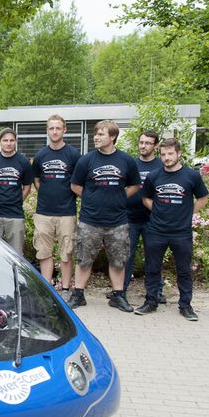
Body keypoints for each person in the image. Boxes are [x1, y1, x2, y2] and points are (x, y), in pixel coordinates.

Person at [68, 120, 141, 312]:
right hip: (89, 221)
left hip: (117, 222)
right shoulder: (87, 160)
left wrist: (119, 197)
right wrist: (92, 197)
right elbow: (75, 185)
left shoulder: (126, 160)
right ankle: (78, 295)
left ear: (113, 137)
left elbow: (135, 185)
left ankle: (118, 296)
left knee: (118, 261)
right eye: (96, 134)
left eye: (101, 134)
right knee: (84, 259)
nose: (96, 137)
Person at [134, 138, 209, 321]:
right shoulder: (154, 176)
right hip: (157, 230)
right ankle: (150, 302)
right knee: (152, 268)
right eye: (163, 154)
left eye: (170, 154)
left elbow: (202, 198)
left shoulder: (191, 176)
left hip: (181, 232)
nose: (166, 158)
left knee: (183, 270)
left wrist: (187, 213)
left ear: (179, 154)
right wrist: (159, 211)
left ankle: (185, 305)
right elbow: (145, 198)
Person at [32, 115, 81, 293]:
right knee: (43, 252)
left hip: (66, 212)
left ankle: (66, 288)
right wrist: (46, 193)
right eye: (51, 128)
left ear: (64, 130)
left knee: (67, 253)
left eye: (58, 128)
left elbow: (78, 182)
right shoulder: (40, 155)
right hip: (43, 212)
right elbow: (37, 180)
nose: (54, 131)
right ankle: (48, 289)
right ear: (47, 130)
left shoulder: (74, 155)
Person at [123, 130, 165, 301]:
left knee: (153, 257)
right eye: (141, 142)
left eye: (148, 143)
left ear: (155, 145)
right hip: (129, 218)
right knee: (126, 257)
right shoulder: (130, 164)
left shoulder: (161, 166)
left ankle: (157, 292)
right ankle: (120, 291)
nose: (143, 146)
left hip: (152, 220)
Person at [0, 128, 33, 254]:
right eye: (5, 140)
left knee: (16, 254)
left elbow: (27, 187)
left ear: (15, 141)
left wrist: (18, 200)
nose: (8, 143)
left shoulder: (23, 162)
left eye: (11, 140)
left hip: (15, 214)